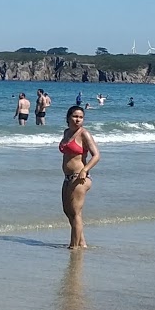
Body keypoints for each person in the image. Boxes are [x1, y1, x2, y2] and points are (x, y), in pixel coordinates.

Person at [59, 105, 100, 249]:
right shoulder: (66, 133)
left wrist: (85, 169)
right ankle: (81, 242)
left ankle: (73, 247)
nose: (78, 120)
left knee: (76, 212)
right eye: (75, 116)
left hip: (80, 178)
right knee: (68, 211)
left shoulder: (84, 134)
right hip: (68, 177)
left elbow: (96, 155)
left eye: (81, 117)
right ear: (68, 117)